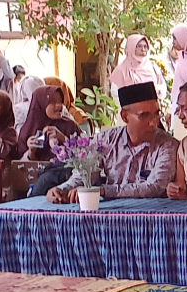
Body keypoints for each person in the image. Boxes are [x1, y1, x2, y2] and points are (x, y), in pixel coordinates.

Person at [46, 82, 179, 203]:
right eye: (145, 116)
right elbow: (85, 174)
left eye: (156, 114)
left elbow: (154, 187)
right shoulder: (106, 140)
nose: (153, 122)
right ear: (125, 117)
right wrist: (61, 189)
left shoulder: (167, 145)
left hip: (151, 215)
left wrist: (103, 191)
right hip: (111, 214)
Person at [18, 85, 81, 161]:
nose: (59, 105)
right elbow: (19, 164)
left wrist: (63, 138)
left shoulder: (70, 126)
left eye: (60, 101)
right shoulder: (28, 131)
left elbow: (84, 154)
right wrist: (31, 151)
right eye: (53, 102)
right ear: (41, 104)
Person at [110, 34, 167, 105]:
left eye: (145, 46)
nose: (143, 49)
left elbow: (162, 87)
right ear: (131, 47)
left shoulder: (152, 66)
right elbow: (115, 94)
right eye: (139, 46)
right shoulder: (121, 70)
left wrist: (157, 91)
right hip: (130, 109)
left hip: (151, 108)